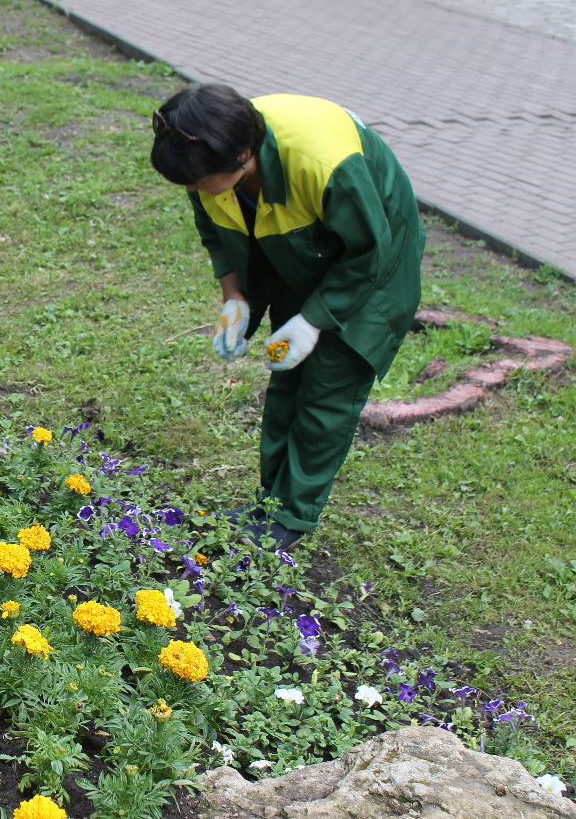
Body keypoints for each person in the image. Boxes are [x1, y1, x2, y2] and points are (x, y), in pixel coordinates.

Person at [150, 84, 424, 549]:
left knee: (327, 392)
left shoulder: (325, 165)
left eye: (197, 182)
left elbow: (368, 253)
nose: (192, 191)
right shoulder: (202, 154)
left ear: (242, 156)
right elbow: (215, 230)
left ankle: (291, 518)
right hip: (303, 249)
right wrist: (235, 299)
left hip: (374, 259)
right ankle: (271, 504)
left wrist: (314, 319)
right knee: (287, 381)